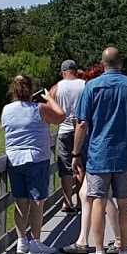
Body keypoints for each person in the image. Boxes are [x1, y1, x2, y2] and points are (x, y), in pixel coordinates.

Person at [72, 46, 127, 254]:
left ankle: (99, 253)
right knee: (124, 202)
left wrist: (76, 153)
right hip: (125, 153)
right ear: (121, 63)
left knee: (98, 200)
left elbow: (82, 124)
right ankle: (124, 250)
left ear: (103, 63)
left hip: (99, 154)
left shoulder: (92, 87)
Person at [0, 75, 65, 254]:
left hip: (14, 158)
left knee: (20, 201)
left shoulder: (6, 109)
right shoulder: (40, 108)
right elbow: (61, 116)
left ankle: (21, 240)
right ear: (30, 89)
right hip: (36, 157)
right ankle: (35, 241)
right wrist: (50, 99)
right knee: (37, 201)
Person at [50, 60, 86, 213]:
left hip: (64, 130)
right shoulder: (85, 85)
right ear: (75, 71)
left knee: (65, 168)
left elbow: (49, 105)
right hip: (82, 130)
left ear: (63, 72)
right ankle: (81, 201)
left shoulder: (57, 88)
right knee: (80, 165)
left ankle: (67, 201)